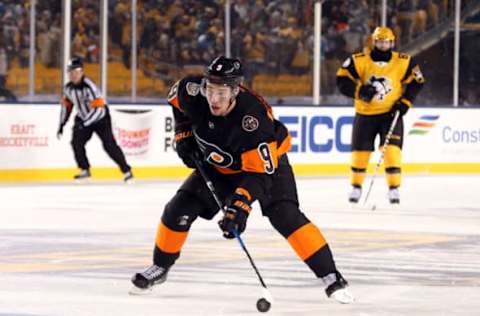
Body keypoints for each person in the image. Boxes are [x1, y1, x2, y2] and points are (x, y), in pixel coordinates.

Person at [130, 56, 354, 304]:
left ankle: (331, 276)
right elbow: (175, 98)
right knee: (178, 209)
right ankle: (160, 267)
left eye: (222, 93)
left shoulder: (253, 120)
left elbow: (258, 175)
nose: (214, 99)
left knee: (285, 216)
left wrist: (240, 207)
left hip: (266, 168)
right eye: (210, 90)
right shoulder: (192, 92)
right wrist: (183, 131)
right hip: (220, 166)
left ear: (235, 91)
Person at [336, 27, 425, 204]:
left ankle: (394, 189)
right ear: (374, 41)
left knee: (392, 152)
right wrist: (359, 91)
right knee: (360, 153)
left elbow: (418, 81)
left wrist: (405, 102)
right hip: (365, 114)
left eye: (386, 41)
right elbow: (341, 79)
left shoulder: (404, 61)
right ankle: (356, 186)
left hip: (391, 114)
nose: (383, 45)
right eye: (380, 41)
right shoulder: (359, 60)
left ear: (392, 42)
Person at [57, 57, 133, 182]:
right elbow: (67, 107)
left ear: (82, 72)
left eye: (76, 72)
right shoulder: (68, 89)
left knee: (109, 145)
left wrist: (85, 123)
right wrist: (61, 124)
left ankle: (127, 171)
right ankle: (85, 170)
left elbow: (100, 110)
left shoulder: (90, 87)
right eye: (70, 72)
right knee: (76, 142)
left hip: (101, 119)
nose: (73, 75)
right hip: (83, 118)